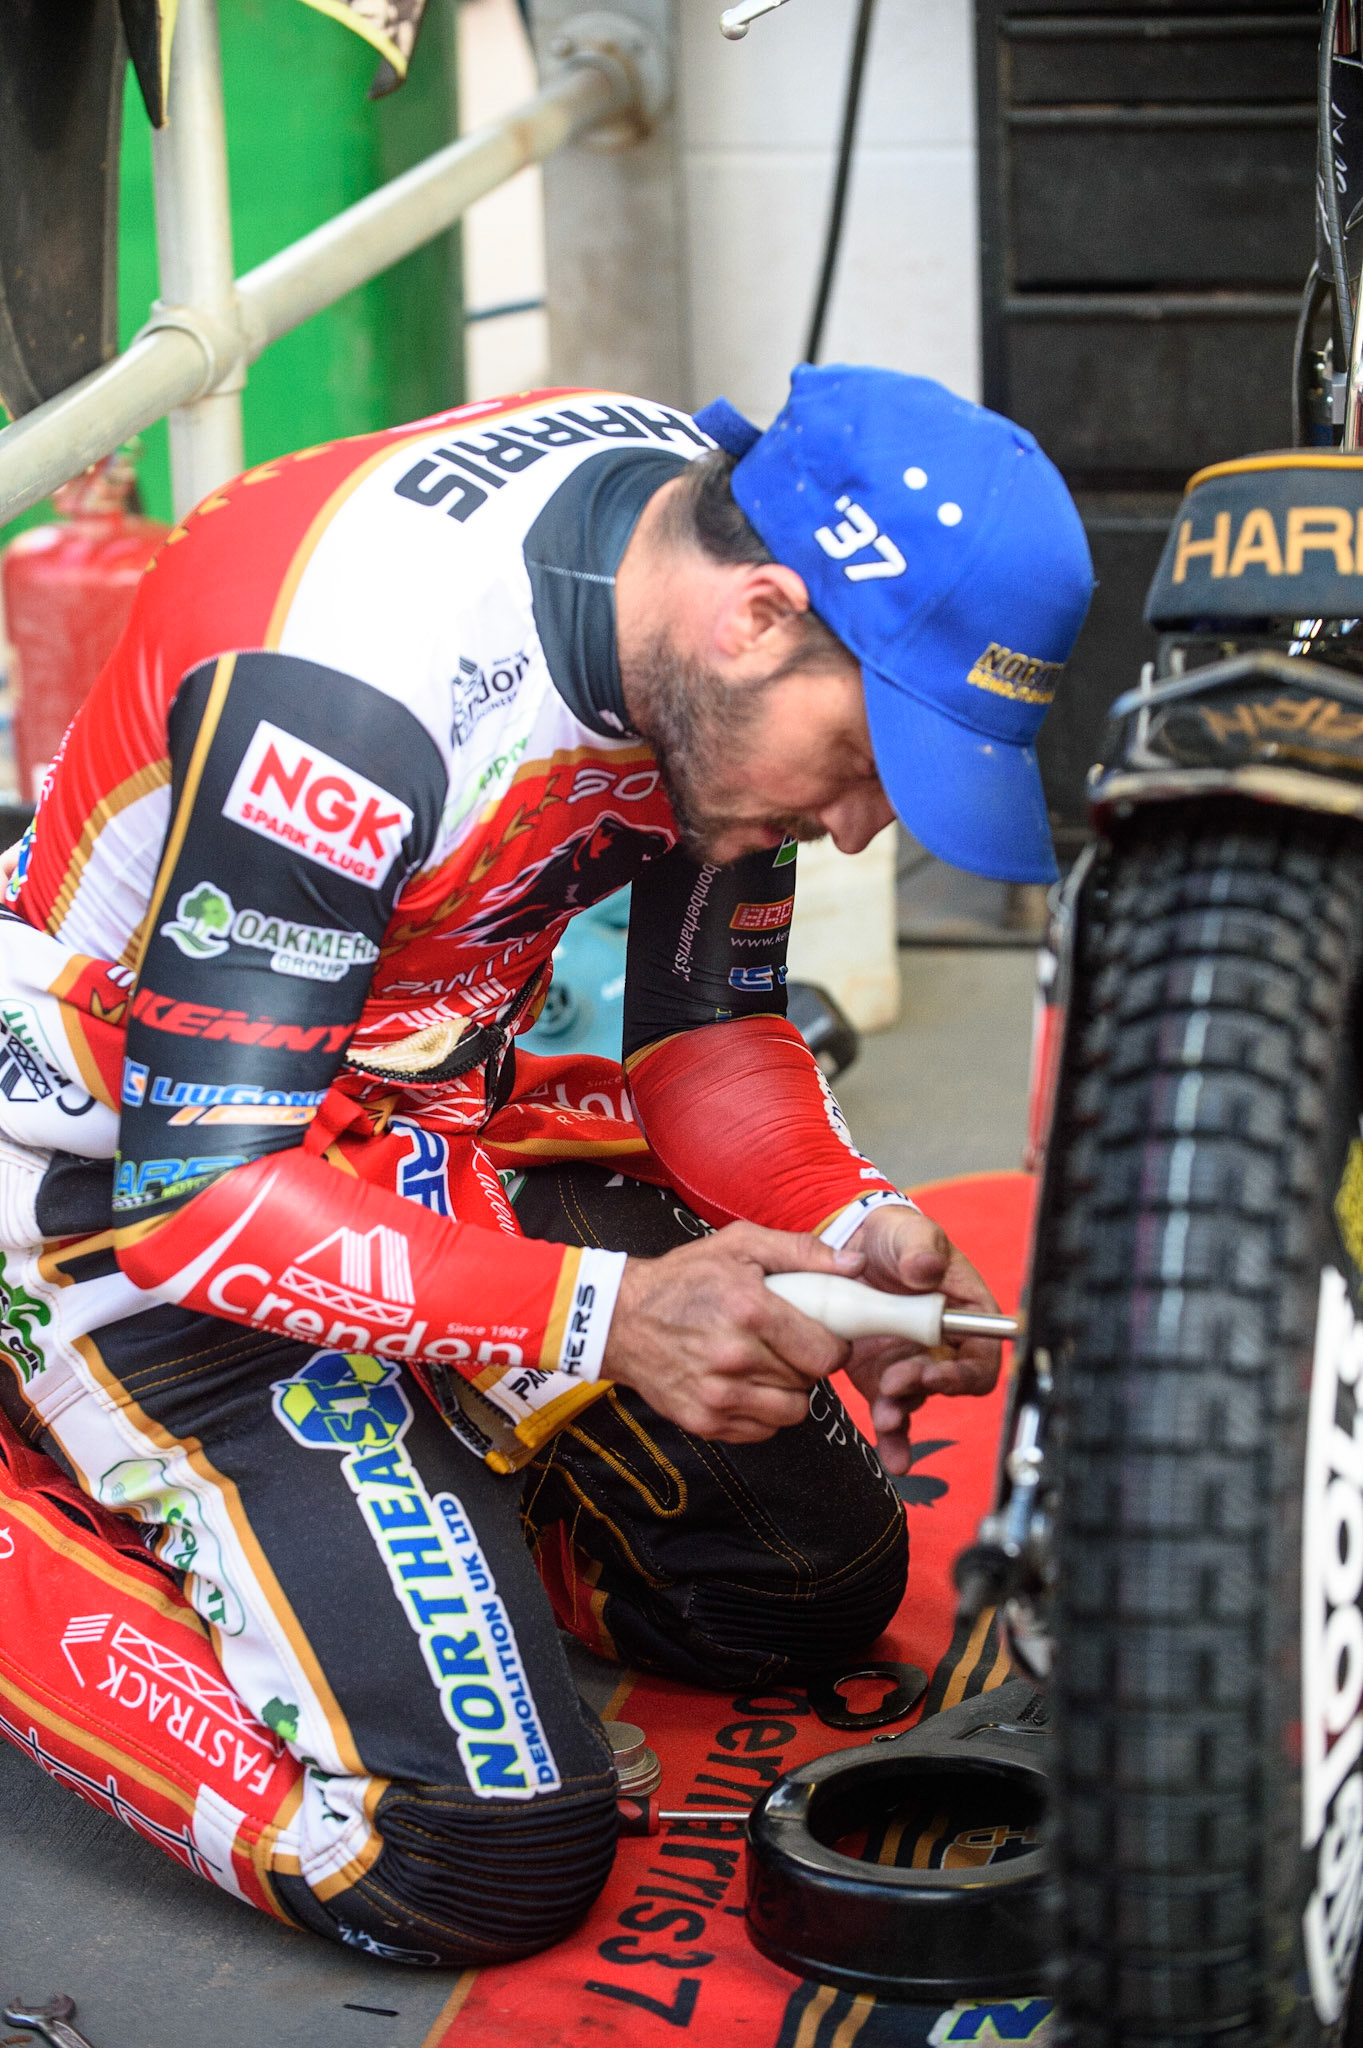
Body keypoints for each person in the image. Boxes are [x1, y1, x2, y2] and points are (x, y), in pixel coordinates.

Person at [0, 364, 1091, 1966]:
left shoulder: (701, 571)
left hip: (415, 1126)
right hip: (121, 1180)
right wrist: (607, 1318)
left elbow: (711, 1032)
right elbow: (198, 1200)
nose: (863, 828)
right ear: (761, 619)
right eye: (870, 760)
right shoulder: (343, 687)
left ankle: (405, 1502)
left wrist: (855, 1221)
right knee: (475, 1852)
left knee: (803, 1585)